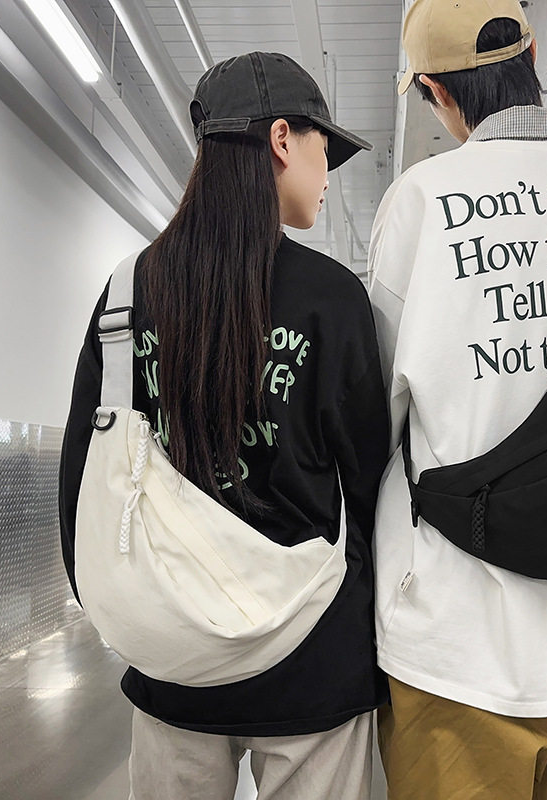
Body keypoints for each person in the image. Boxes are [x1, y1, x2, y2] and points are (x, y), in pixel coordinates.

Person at [59, 52, 389, 800]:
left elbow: (82, 476)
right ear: (282, 139)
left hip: (173, 662)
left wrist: (131, 607)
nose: (328, 174)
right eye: (324, 149)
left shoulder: (128, 292)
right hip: (312, 662)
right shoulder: (331, 297)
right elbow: (371, 486)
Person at [368, 2, 547, 798]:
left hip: (459, 627)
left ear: (435, 91)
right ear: (532, 54)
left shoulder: (421, 199)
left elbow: (378, 405)